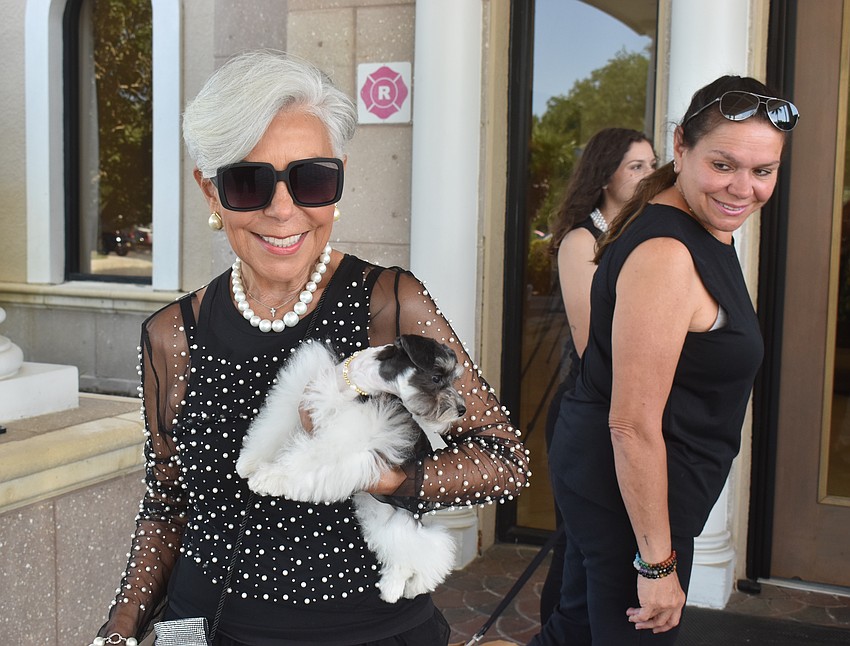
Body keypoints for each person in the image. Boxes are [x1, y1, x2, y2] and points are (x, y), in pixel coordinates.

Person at [90, 50, 529, 646]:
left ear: (339, 176)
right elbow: (168, 506)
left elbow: (503, 459)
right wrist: (119, 627)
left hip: (369, 634)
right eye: (247, 181)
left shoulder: (388, 305)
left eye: (311, 178)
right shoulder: (171, 334)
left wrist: (383, 475)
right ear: (210, 191)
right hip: (207, 629)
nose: (282, 209)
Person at [529, 75, 798, 645]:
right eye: (723, 165)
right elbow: (631, 425)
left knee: (574, 630)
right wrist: (656, 565)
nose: (743, 188)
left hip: (617, 484)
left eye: (763, 170)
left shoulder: (696, 220)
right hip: (632, 501)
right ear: (681, 146)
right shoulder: (668, 255)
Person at [540, 128, 656, 625]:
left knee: (608, 549)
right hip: (588, 414)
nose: (651, 175)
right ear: (606, 175)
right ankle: (556, 632)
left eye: (653, 164)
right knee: (576, 545)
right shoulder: (580, 241)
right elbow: (595, 349)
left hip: (626, 410)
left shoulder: (641, 237)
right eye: (637, 166)